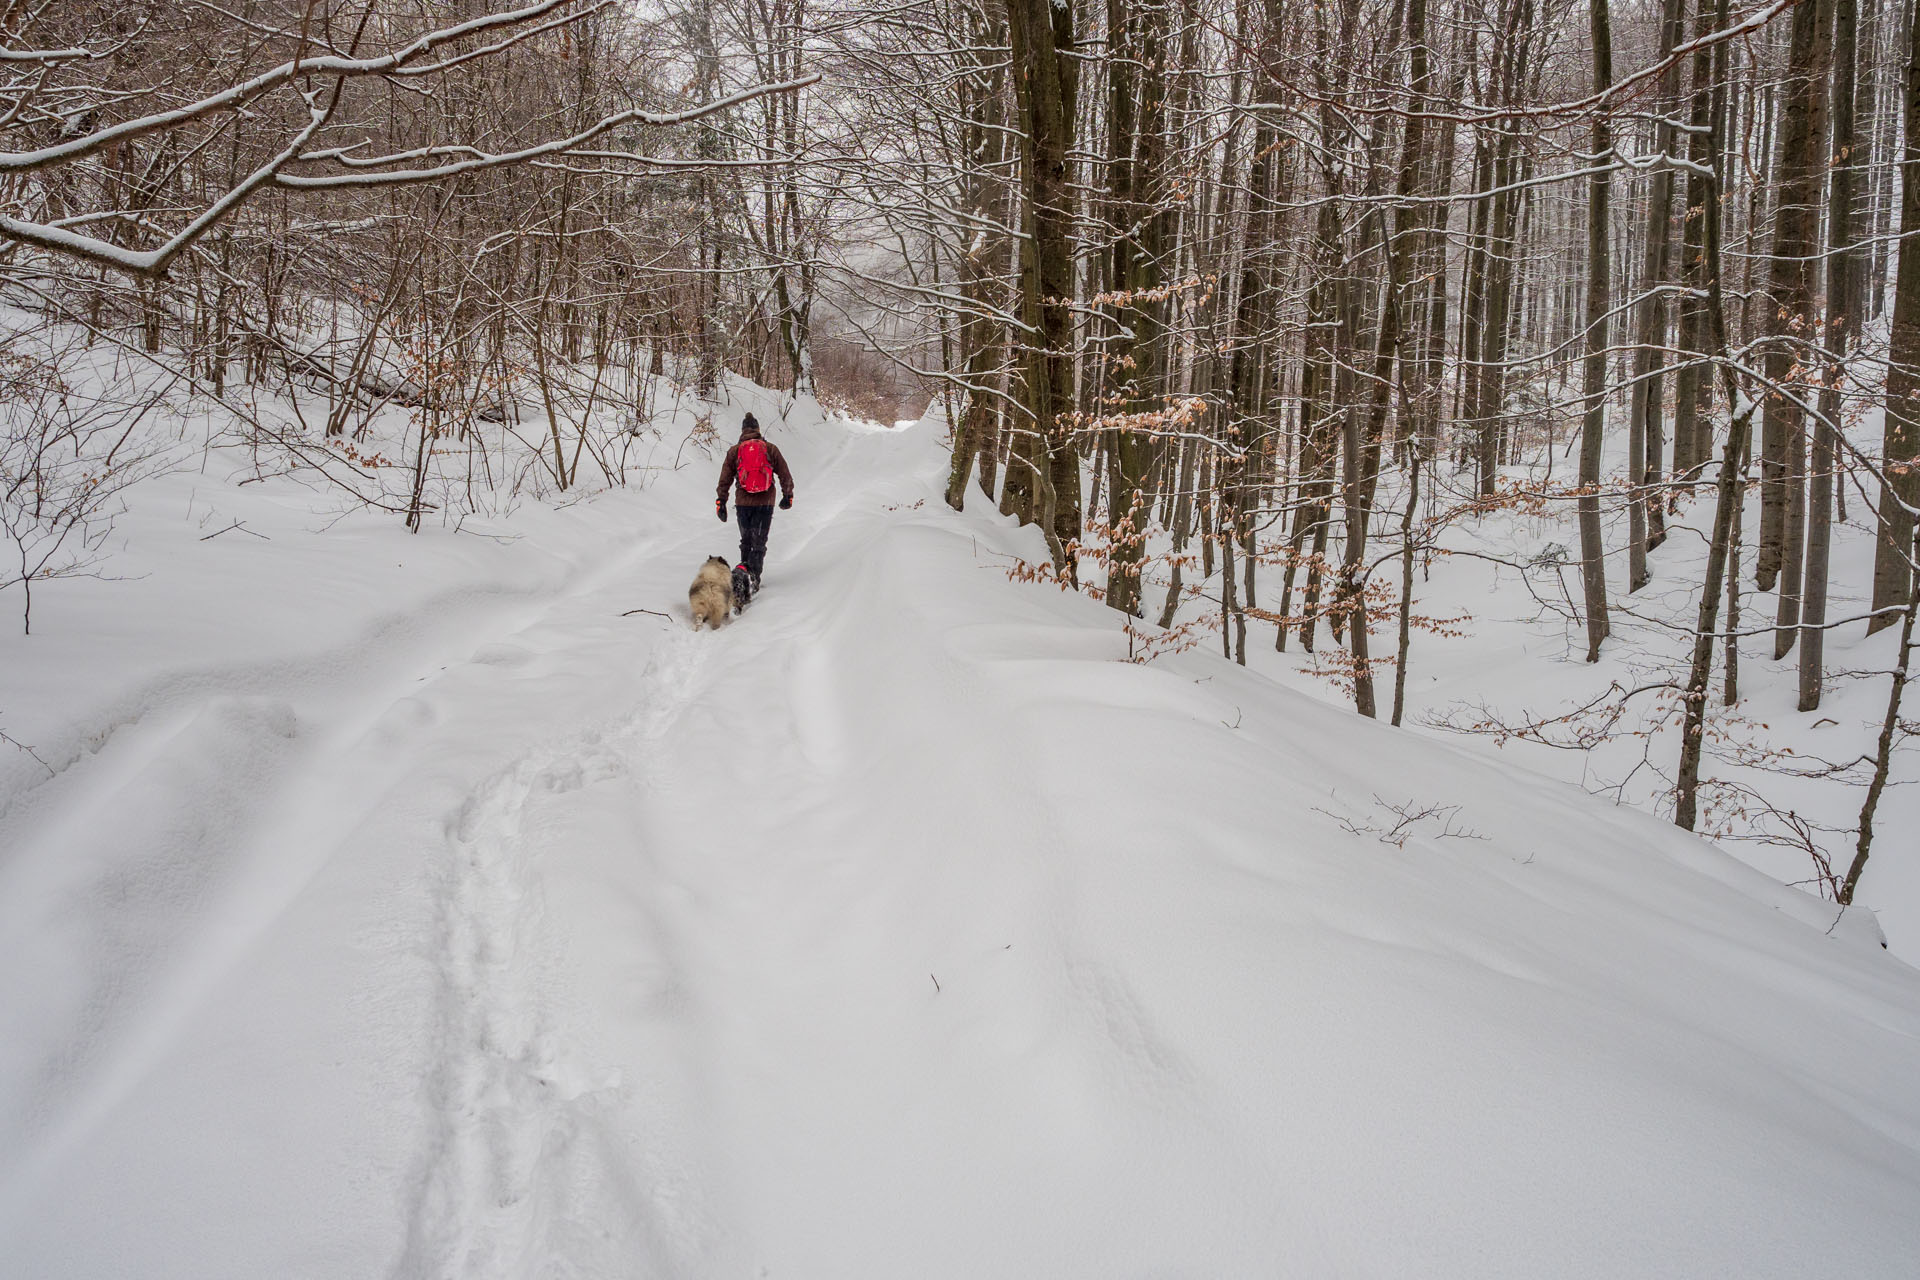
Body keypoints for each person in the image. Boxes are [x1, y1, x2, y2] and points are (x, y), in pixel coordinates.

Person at [715, 413, 793, 590]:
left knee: (746, 541)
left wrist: (721, 501)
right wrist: (787, 495)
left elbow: (724, 479)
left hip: (743, 503)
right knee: (759, 543)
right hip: (765, 503)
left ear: (743, 430)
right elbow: (784, 473)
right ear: (758, 430)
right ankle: (753, 578)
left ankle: (742, 572)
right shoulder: (769, 448)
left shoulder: (734, 451)